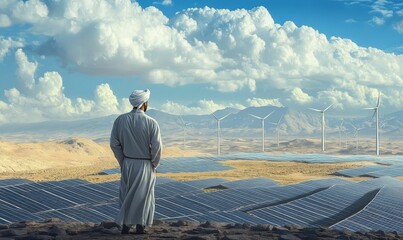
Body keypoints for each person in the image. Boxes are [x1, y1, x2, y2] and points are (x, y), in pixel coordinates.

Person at [110, 89, 162, 234]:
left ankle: (126, 226)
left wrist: (123, 160)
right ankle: (141, 226)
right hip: (145, 164)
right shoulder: (151, 122)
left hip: (128, 163)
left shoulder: (120, 120)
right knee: (143, 196)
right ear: (144, 103)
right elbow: (157, 147)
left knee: (126, 194)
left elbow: (114, 144)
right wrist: (154, 164)